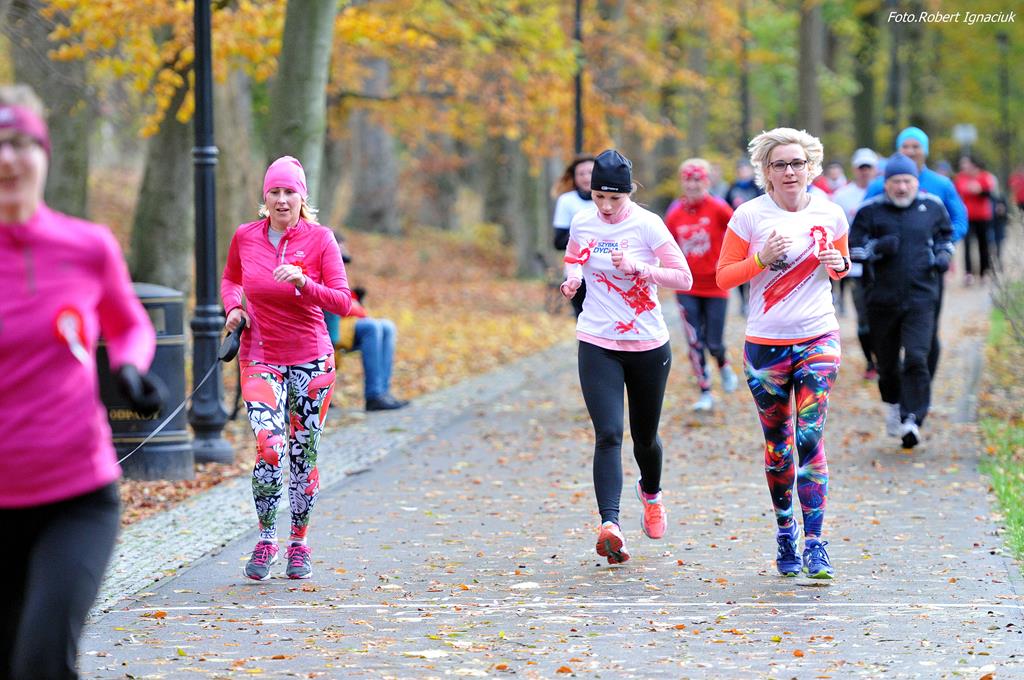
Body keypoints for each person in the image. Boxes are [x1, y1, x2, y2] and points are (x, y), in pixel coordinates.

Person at [0, 84, 164, 679]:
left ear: (44, 153)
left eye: (21, 143)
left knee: (41, 661)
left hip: (76, 496)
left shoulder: (87, 246)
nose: (7, 159)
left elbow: (130, 324)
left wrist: (129, 366)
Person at [716, 127, 851, 580]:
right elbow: (723, 277)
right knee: (778, 446)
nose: (790, 171)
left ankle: (816, 543)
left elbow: (841, 265)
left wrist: (839, 265)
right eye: (780, 165)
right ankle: (785, 532)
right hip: (765, 345)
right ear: (766, 171)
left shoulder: (830, 213)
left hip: (818, 338)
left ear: (810, 167)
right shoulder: (749, 216)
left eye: (797, 163)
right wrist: (759, 259)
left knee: (810, 437)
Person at [222, 156, 352, 581]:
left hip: (312, 359)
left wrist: (303, 283)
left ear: (302, 197)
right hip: (260, 357)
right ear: (265, 197)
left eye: (289, 192)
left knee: (302, 451)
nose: (281, 200)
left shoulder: (321, 239)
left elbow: (342, 301)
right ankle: (266, 539)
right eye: (274, 192)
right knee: (269, 446)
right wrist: (234, 308)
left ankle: (299, 542)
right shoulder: (245, 236)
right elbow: (231, 279)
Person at [560, 149, 693, 564]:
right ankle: (611, 525)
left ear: (629, 192)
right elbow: (574, 259)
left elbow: (684, 277)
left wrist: (640, 268)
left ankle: (651, 494)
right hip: (597, 339)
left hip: (647, 343)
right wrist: (572, 280)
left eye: (614, 198)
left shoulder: (648, 224)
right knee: (608, 434)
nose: (606, 206)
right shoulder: (583, 221)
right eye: (599, 196)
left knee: (645, 437)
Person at [850, 154, 953, 449]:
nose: (902, 187)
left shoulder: (932, 206)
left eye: (907, 181)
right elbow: (852, 249)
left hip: (921, 296)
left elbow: (945, 237)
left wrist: (943, 255)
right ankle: (894, 405)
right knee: (887, 364)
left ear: (916, 183)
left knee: (918, 357)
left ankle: (913, 418)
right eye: (896, 182)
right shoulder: (870, 210)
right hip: (881, 299)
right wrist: (876, 248)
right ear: (886, 184)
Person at [863, 126, 967, 383]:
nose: (910, 151)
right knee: (888, 333)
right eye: (905, 146)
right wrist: (876, 247)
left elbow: (959, 219)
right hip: (886, 273)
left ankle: (922, 384)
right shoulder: (879, 185)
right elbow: (862, 224)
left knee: (926, 330)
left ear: (925, 150)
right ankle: (894, 380)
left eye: (916, 146)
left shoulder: (941, 184)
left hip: (927, 270)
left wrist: (939, 246)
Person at [664, 157, 738, 411]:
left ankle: (723, 364)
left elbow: (740, 232)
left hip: (717, 284)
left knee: (713, 342)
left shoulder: (718, 208)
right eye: (688, 180)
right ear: (682, 183)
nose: (693, 185)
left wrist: (734, 260)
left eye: (697, 179)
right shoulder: (675, 213)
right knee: (694, 340)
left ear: (706, 182)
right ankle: (705, 391)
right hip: (687, 286)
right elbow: (665, 245)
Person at [324, 234, 409, 411]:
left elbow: (346, 298)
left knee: (387, 326)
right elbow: (335, 300)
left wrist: (356, 298)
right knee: (371, 327)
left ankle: (383, 392)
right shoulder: (322, 263)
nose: (344, 252)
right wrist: (355, 306)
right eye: (340, 247)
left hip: (342, 322)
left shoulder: (338, 268)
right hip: (329, 325)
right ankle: (373, 395)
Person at [832, 148, 880, 379]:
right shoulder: (842, 196)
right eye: (861, 168)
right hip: (855, 266)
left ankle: (886, 357)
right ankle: (870, 362)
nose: (865, 172)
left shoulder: (884, 191)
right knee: (863, 316)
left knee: (885, 313)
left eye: (868, 167)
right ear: (854, 169)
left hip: (882, 264)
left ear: (875, 169)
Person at [551, 155, 595, 318]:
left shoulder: (612, 200)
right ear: (574, 177)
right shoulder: (566, 201)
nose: (586, 177)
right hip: (577, 274)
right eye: (581, 174)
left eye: (590, 172)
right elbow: (558, 241)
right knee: (584, 320)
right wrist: (585, 237)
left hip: (607, 272)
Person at [724, 159, 764, 316]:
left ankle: (756, 299)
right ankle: (743, 301)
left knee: (756, 264)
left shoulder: (757, 186)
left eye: (745, 169)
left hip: (756, 231)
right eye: (740, 169)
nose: (743, 172)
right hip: (739, 233)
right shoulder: (732, 188)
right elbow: (727, 208)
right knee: (740, 267)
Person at [954, 155, 996, 284]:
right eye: (962, 164)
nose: (963, 166)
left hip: (983, 217)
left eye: (965, 163)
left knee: (983, 245)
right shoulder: (960, 177)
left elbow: (991, 195)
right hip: (967, 217)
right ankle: (968, 273)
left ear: (973, 164)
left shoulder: (984, 176)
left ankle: (984, 273)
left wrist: (979, 190)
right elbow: (955, 196)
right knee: (967, 245)